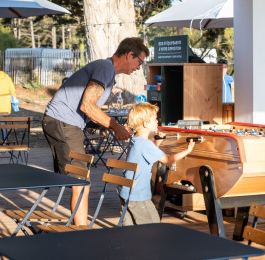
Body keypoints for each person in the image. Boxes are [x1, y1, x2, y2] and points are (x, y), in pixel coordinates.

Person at [42, 37, 149, 226]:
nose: (138, 68)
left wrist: (109, 127)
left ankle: (79, 230)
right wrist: (115, 126)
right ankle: (82, 233)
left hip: (64, 122)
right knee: (81, 183)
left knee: (80, 182)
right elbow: (88, 105)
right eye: (139, 62)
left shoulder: (107, 72)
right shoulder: (105, 68)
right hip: (62, 121)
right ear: (129, 54)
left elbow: (89, 111)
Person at [118, 102, 195, 225]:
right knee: (154, 227)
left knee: (131, 230)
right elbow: (168, 160)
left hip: (126, 193)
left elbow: (146, 155)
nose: (157, 121)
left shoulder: (135, 140)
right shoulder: (146, 144)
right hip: (138, 196)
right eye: (154, 119)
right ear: (145, 123)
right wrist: (187, 150)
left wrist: (156, 143)